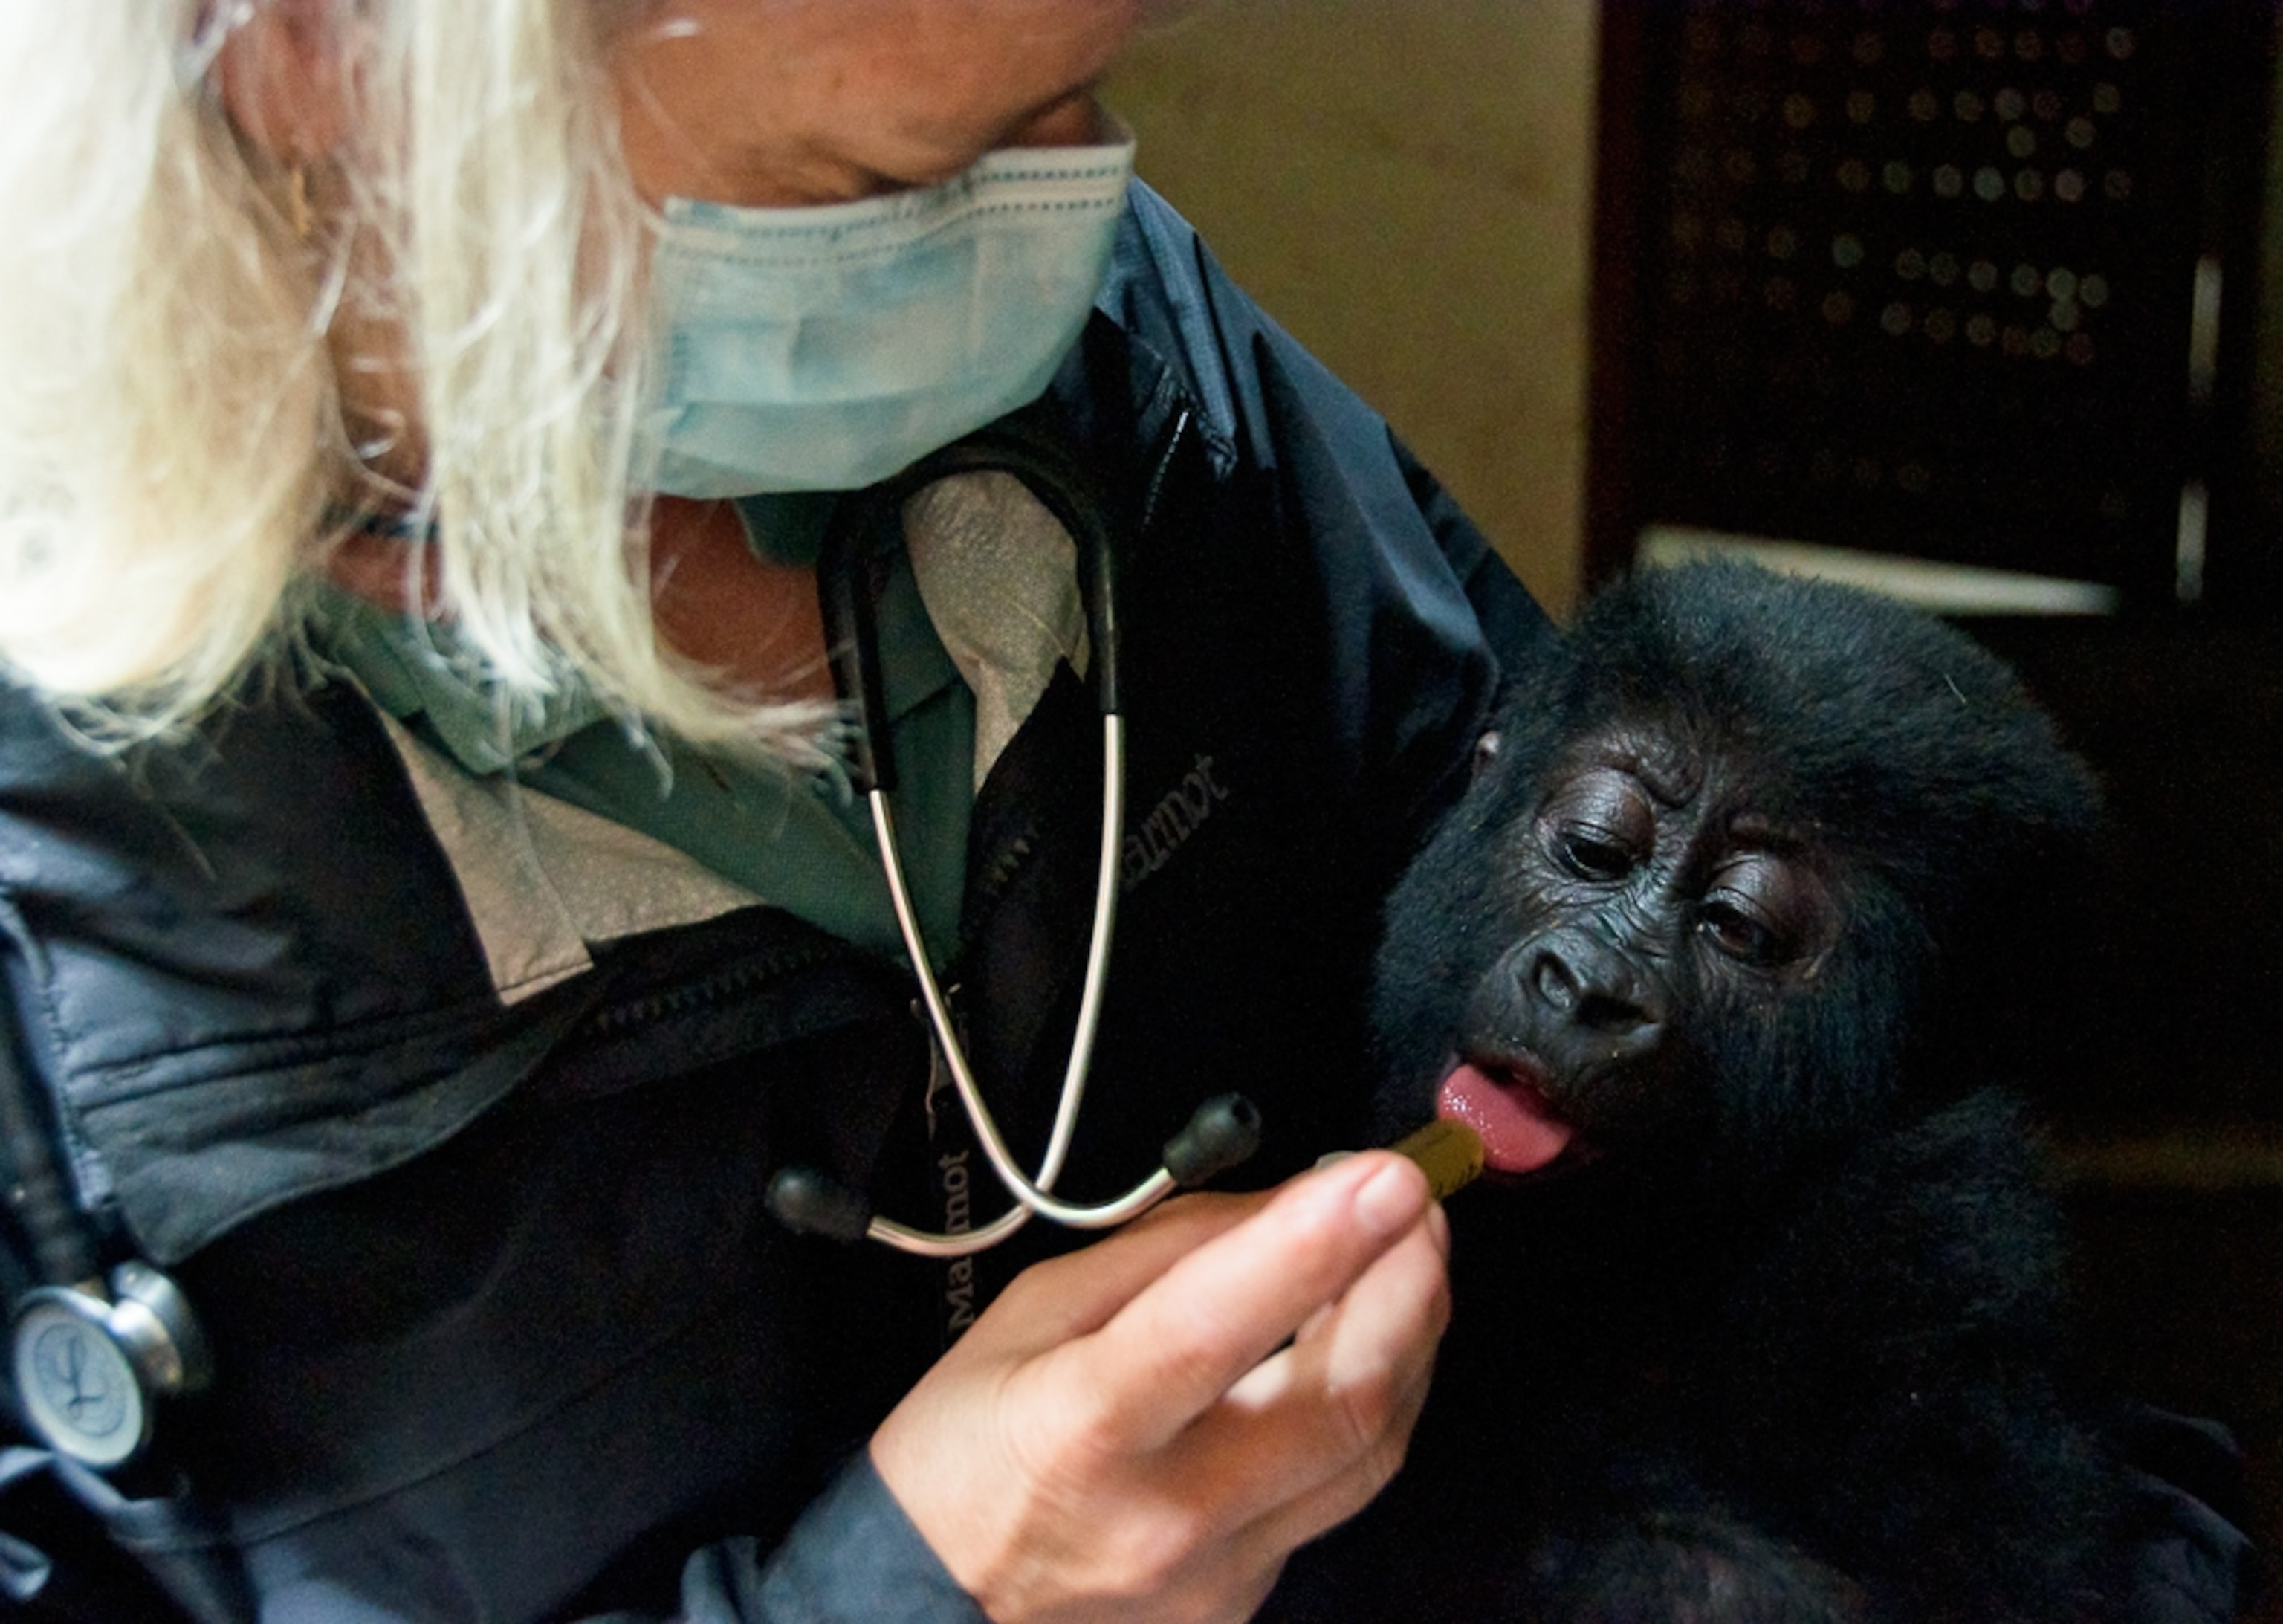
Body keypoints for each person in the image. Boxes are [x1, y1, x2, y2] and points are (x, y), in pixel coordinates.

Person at [0, 4, 2249, 1623]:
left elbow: (1841, 1150)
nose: (1064, 228)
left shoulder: (1140, 377)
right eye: (892, 184)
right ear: (317, 52)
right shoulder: (71, 900)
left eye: (1084, 93)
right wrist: (911, 1600)